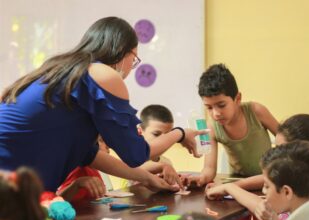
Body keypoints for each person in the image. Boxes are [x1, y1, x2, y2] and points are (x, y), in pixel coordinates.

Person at [0, 16, 206, 192]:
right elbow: (136, 154)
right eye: (134, 60)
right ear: (123, 53)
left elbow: (90, 155)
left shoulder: (60, 69)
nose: (131, 69)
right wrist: (179, 133)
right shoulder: (103, 75)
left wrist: (147, 178)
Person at [186, 63, 278, 188]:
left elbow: (285, 139)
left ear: (238, 98)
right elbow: (209, 169)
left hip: (267, 181)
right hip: (237, 184)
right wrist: (200, 178)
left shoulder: (256, 111)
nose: (216, 114)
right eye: (209, 107)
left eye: (222, 105)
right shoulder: (211, 127)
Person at [206, 141, 309, 220]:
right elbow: (258, 204)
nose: (263, 191)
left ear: (287, 192)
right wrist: (228, 187)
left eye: (267, 186)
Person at [110, 104, 182, 188]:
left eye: (167, 136)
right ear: (140, 131)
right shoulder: (131, 158)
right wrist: (162, 166)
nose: (163, 140)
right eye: (156, 134)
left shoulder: (166, 162)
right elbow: (135, 168)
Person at [56, 136, 108, 202]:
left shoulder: (94, 170)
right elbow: (57, 200)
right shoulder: (79, 169)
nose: (107, 147)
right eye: (101, 140)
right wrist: (76, 184)